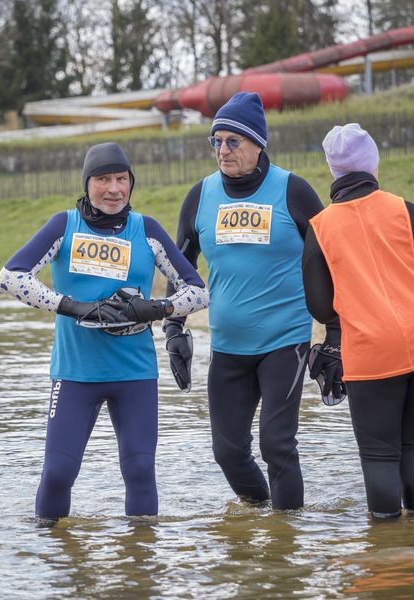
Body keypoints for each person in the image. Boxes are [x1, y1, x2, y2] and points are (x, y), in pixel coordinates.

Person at [0, 141, 209, 524]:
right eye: (103, 180)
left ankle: (141, 553)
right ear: (87, 183)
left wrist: (158, 308)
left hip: (134, 373)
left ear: (131, 183)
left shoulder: (146, 229)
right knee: (58, 473)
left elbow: (197, 291)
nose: (114, 189)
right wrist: (70, 306)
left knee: (140, 470)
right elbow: (10, 277)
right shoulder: (64, 226)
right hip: (75, 373)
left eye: (122, 179)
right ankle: (48, 550)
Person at [164, 91, 342, 510]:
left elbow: (333, 263)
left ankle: (287, 537)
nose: (222, 150)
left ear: (258, 144)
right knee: (227, 453)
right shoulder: (200, 196)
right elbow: (179, 269)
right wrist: (174, 328)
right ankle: (262, 521)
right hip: (228, 347)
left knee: (276, 445)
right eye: (216, 141)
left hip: (285, 343)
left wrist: (335, 337)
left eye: (233, 141)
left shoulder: (293, 190)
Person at [302, 123, 414, 519]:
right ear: (373, 165)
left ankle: (383, 545)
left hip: (370, 354)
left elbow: (319, 306)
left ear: (333, 170)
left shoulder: (321, 227)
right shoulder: (405, 209)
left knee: (379, 455)